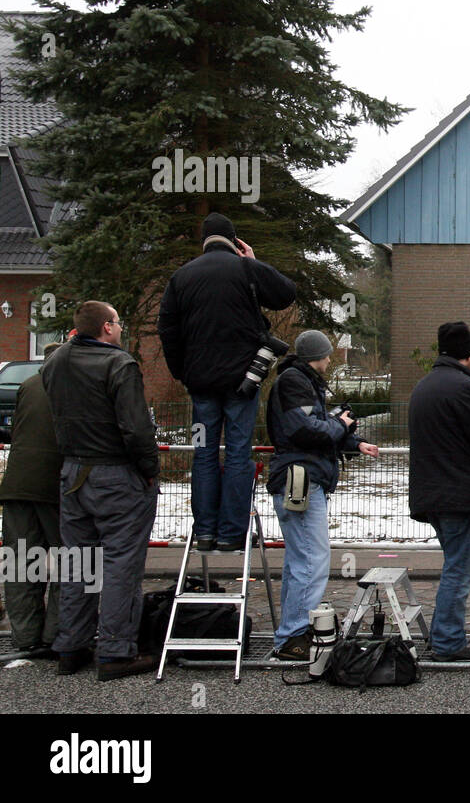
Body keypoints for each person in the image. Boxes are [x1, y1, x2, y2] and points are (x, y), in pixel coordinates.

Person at [158, 213, 296, 552]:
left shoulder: (181, 277)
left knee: (203, 454)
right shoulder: (245, 269)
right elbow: (285, 294)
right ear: (235, 241)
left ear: (203, 241)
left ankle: (204, 532)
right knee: (237, 453)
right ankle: (231, 533)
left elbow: (168, 331)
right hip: (242, 382)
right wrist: (254, 262)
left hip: (201, 384)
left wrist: (182, 372)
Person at [42, 302, 159, 680]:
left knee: (78, 563)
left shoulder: (56, 362)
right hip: (116, 474)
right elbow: (136, 428)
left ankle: (70, 646)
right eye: (119, 322)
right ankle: (115, 652)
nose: (121, 329)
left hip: (73, 470)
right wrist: (149, 470)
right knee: (121, 565)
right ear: (107, 327)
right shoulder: (119, 365)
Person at [265, 330, 378, 659]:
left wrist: (354, 442)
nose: (330, 360)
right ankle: (293, 635)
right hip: (301, 479)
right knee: (312, 560)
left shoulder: (300, 381)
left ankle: (293, 628)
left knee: (299, 560)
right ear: (317, 356)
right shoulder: (295, 382)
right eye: (328, 355)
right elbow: (307, 430)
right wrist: (342, 425)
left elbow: (315, 428)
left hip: (300, 477)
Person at [408, 321, 470, 661]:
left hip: (430, 493)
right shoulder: (464, 388)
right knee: (458, 571)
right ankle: (447, 642)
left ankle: (444, 634)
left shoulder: (423, 387)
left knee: (453, 566)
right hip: (458, 495)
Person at [0, 342, 65, 659]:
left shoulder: (27, 384)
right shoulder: (73, 385)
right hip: (55, 487)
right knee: (70, 563)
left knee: (20, 563)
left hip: (16, 485)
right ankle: (56, 634)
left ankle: (25, 636)